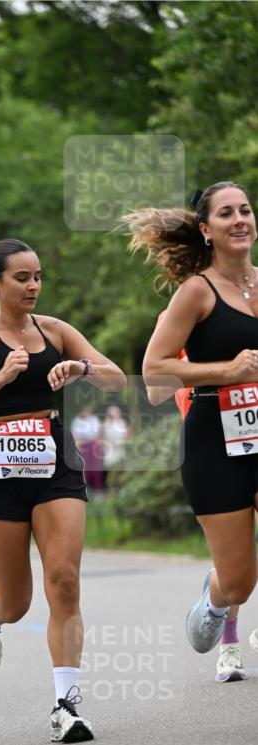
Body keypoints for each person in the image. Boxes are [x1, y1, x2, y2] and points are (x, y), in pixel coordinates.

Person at [0, 238, 126, 743]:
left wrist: (81, 368)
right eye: (22, 277)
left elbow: (117, 379)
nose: (33, 286)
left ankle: (66, 704)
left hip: (54, 462)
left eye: (38, 276)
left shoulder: (56, 331)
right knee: (16, 603)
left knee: (63, 580)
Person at [127, 181, 257, 661]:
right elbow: (154, 368)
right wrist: (227, 371)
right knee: (241, 578)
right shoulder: (195, 293)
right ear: (206, 230)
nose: (240, 219)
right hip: (214, 441)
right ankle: (217, 594)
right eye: (226, 213)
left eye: (246, 210)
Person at [146, 313, 246, 683]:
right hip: (215, 438)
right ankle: (229, 644)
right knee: (237, 563)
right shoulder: (184, 311)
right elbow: (156, 390)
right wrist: (216, 368)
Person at [70, 405, 104, 493]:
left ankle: (97, 490)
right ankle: (84, 489)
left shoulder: (94, 419)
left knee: (95, 468)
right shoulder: (77, 421)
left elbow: (97, 434)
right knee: (84, 468)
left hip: (93, 444)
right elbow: (75, 435)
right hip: (82, 445)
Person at [100, 404, 130, 489]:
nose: (112, 416)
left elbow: (128, 437)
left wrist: (121, 442)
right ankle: (111, 490)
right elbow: (101, 438)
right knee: (110, 471)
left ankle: (121, 488)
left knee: (120, 470)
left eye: (114, 414)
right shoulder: (105, 424)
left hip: (120, 450)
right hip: (109, 451)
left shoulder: (122, 423)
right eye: (110, 414)